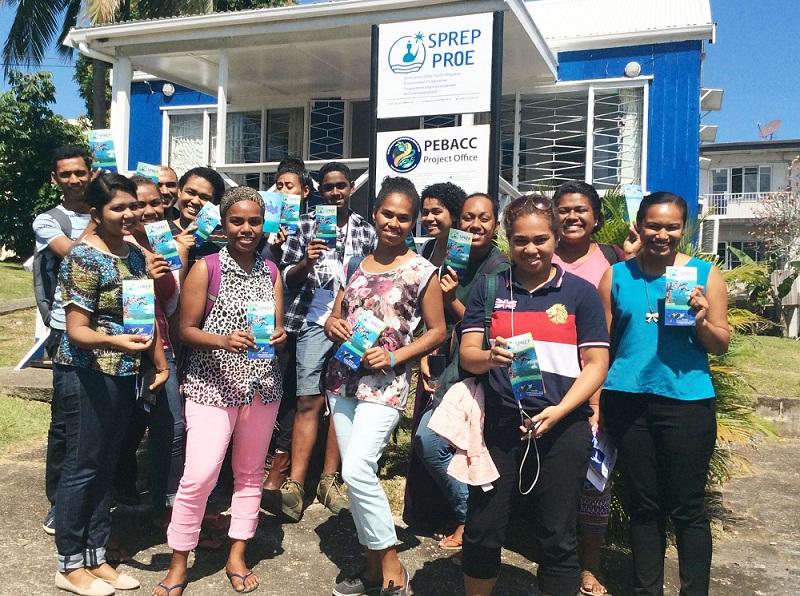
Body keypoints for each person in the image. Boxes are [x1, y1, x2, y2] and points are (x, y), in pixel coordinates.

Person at [459, 194, 609, 596]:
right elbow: (468, 355)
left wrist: (560, 411)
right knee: (483, 529)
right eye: (521, 240)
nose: (530, 249)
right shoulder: (491, 289)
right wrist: (489, 356)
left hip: (562, 428)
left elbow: (596, 363)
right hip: (501, 427)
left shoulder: (580, 293)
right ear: (508, 240)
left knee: (557, 535)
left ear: (556, 238)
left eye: (540, 239)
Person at [154, 186, 287, 596]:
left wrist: (278, 336)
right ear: (223, 224)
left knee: (249, 474)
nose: (246, 229)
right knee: (199, 475)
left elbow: (277, 327)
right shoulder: (205, 267)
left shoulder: (271, 271)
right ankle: (180, 560)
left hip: (261, 388)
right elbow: (185, 330)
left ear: (263, 224)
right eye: (237, 221)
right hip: (212, 386)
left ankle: (237, 553)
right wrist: (223, 340)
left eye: (253, 221)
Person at [598, 192, 729, 596]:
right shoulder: (617, 276)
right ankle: (646, 589)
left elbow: (720, 343)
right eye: (654, 225)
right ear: (639, 224)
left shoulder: (704, 275)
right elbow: (601, 346)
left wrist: (701, 319)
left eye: (672, 226)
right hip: (628, 400)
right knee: (645, 506)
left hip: (686, 401)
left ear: (683, 229)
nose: (662, 234)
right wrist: (593, 402)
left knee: (688, 508)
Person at [324, 176, 445, 596]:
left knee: (358, 467)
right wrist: (332, 324)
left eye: (403, 218)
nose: (394, 223)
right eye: (387, 214)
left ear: (412, 223)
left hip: (386, 384)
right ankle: (372, 569)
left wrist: (395, 356)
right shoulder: (355, 263)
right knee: (355, 473)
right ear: (374, 214)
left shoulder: (421, 270)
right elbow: (336, 314)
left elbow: (437, 331)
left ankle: (390, 560)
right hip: (342, 380)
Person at [53, 173, 170, 596]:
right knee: (82, 467)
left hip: (125, 373)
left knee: (107, 464)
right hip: (86, 372)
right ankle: (68, 564)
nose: (130, 215)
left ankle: (96, 555)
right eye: (118, 208)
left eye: (132, 207)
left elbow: (144, 313)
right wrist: (114, 340)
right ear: (95, 213)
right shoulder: (83, 258)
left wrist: (157, 360)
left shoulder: (136, 255)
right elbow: (76, 330)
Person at [272, 161, 377, 521]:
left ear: (351, 188)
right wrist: (306, 260)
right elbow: (285, 277)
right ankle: (297, 483)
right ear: (321, 190)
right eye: (329, 187)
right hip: (311, 322)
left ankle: (329, 481)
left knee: (341, 400)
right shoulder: (305, 225)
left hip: (351, 327)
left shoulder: (367, 230)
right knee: (307, 399)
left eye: (341, 186)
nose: (335, 192)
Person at [406, 191, 510, 549]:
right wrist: (427, 347)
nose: (475, 225)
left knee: (429, 438)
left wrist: (451, 298)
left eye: (484, 218)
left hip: (475, 370)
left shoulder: (499, 269)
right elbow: (433, 314)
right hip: (444, 361)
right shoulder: (455, 258)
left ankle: (470, 517)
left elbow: (484, 331)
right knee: (441, 441)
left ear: (496, 225)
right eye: (468, 218)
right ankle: (460, 515)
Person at [550, 180, 625, 595]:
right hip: (542, 383)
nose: (572, 217)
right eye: (563, 209)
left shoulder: (613, 263)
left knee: (595, 478)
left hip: (597, 384)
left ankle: (590, 564)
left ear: (597, 218)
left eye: (581, 210)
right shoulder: (536, 254)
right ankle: (555, 553)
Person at [113, 176, 187, 527]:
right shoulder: (115, 241)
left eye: (153, 202)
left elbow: (171, 302)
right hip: (118, 347)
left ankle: (167, 506)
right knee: (119, 431)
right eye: (137, 203)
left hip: (159, 344)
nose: (146, 210)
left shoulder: (168, 244)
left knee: (172, 427)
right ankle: (110, 514)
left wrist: (160, 269)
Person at [33, 146, 97, 535]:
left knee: (106, 416)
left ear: (91, 172)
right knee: (65, 420)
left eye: (80, 172)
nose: (74, 179)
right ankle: (58, 501)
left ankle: (104, 494)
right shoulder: (47, 220)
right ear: (55, 178)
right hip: (64, 327)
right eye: (66, 174)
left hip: (109, 327)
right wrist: (96, 222)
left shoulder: (108, 205)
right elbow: (75, 258)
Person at [262, 156, 313, 494]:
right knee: (264, 388)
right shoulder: (264, 221)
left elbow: (290, 278)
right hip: (261, 319)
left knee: (293, 394)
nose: (283, 192)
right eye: (278, 186)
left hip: (296, 322)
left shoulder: (307, 226)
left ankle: (280, 461)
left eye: (289, 186)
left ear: (304, 192)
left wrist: (284, 254)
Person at [168, 166, 226, 275]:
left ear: (215, 203)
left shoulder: (224, 237)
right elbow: (164, 282)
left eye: (204, 198)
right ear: (180, 191)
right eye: (190, 192)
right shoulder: (162, 235)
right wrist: (179, 250)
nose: (195, 201)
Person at [418, 181, 466, 265]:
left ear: (454, 214)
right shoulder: (426, 248)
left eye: (436, 212)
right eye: (425, 213)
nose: (429, 218)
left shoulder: (464, 250)